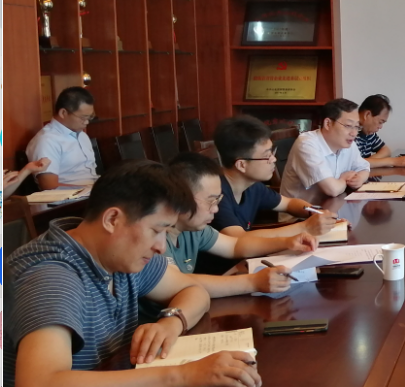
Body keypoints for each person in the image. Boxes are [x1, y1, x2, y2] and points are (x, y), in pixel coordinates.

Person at [3, 160, 261, 387]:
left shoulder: (117, 252)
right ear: (112, 220)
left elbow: (193, 291)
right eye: (156, 230)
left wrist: (171, 322)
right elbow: (40, 382)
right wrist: (182, 376)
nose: (161, 246)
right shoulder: (51, 276)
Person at [164, 153, 318, 295]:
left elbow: (235, 245)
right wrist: (253, 282)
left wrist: (287, 242)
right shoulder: (158, 238)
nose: (216, 209)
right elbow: (177, 282)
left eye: (218, 200)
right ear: (181, 199)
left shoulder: (196, 230)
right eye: (211, 201)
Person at [212, 115, 338, 239]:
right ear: (241, 165)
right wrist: (305, 227)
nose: (274, 159)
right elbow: (238, 239)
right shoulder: (215, 196)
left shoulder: (252, 186)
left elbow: (288, 203)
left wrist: (315, 212)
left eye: (272, 152)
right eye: (267, 156)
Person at [281, 98, 371, 202]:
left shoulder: (348, 143)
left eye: (357, 126)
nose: (354, 133)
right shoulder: (306, 144)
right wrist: (344, 179)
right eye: (348, 126)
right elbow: (332, 189)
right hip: (301, 211)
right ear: (328, 124)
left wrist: (359, 179)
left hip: (330, 205)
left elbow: (364, 167)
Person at [26, 86, 99, 189]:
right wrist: (90, 188)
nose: (87, 122)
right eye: (83, 117)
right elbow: (49, 186)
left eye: (90, 117)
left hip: (91, 193)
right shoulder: (47, 140)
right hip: (69, 198)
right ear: (63, 113)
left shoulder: (82, 135)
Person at [355, 94, 405, 168]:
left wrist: (370, 161)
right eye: (380, 122)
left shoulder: (369, 134)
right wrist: (393, 161)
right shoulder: (351, 134)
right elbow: (355, 164)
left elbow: (386, 150)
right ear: (367, 115)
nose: (380, 127)